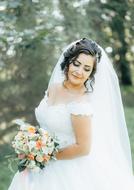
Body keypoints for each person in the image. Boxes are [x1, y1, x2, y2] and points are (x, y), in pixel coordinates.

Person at [8, 38, 134, 190]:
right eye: (76, 64)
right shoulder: (54, 87)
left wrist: (42, 156)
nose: (79, 72)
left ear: (91, 73)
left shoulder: (80, 103)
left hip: (67, 168)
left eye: (87, 69)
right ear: (68, 61)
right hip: (39, 162)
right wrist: (33, 145)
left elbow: (83, 148)